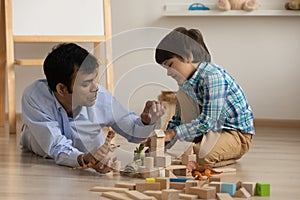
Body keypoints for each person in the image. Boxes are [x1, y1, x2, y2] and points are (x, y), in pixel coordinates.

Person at [20, 43, 165, 173]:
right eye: (86, 84)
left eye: (94, 80)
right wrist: (84, 159)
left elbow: (133, 131)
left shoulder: (100, 97)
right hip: (40, 148)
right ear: (61, 89)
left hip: (88, 151)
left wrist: (147, 122)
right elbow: (56, 147)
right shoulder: (35, 97)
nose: (95, 88)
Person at [153, 27, 254, 167]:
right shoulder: (185, 84)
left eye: (170, 65)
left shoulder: (212, 76)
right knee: (191, 155)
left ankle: (226, 154)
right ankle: (209, 150)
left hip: (235, 134)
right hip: (212, 132)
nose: (168, 73)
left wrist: (172, 133)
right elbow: (178, 120)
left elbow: (208, 122)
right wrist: (161, 142)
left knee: (198, 157)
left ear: (188, 56)